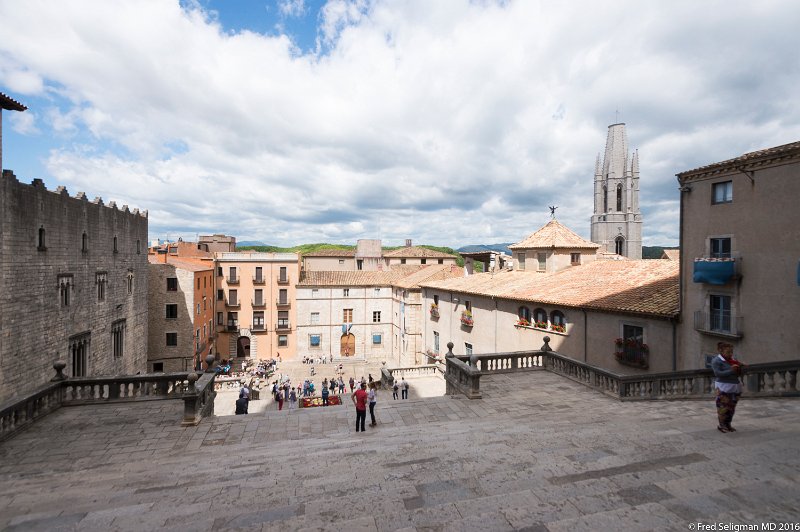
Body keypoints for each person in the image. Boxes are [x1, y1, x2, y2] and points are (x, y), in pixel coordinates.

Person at [712, 342, 744, 433]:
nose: (731, 354)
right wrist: (731, 370)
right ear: (721, 351)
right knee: (723, 407)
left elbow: (738, 373)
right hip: (723, 387)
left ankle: (728, 424)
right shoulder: (716, 361)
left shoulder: (733, 359)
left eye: (731, 352)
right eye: (728, 352)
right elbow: (718, 374)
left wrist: (740, 368)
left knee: (731, 408)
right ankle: (722, 425)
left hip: (735, 387)